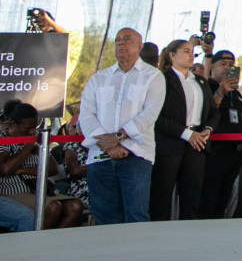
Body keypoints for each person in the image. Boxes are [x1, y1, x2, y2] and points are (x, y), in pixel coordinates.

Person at [78, 27, 166, 224]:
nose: (121, 43)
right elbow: (86, 114)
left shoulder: (153, 76)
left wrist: (117, 137)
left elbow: (150, 113)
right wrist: (109, 145)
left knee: (136, 216)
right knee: (105, 218)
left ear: (140, 46)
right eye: (118, 39)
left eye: (127, 39)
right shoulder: (99, 78)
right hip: (100, 156)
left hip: (135, 155)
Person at [150, 38, 219, 221]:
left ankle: (189, 234)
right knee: (161, 197)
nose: (191, 56)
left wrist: (208, 130)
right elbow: (156, 116)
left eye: (192, 52)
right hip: (169, 145)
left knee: (192, 198)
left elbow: (213, 112)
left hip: (197, 146)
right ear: (172, 56)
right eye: (186, 51)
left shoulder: (200, 82)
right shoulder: (162, 80)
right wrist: (187, 134)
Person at [0, 103, 83, 228]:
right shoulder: (4, 140)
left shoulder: (36, 140)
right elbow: (5, 169)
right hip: (14, 192)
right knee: (53, 207)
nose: (32, 131)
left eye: (35, 127)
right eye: (27, 128)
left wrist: (23, 170)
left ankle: (52, 239)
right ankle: (38, 238)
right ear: (13, 124)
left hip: (40, 190)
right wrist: (28, 147)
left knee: (75, 206)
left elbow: (52, 169)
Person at [200, 51, 242, 219]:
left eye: (231, 65)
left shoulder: (236, 93)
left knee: (225, 197)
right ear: (212, 66)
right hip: (215, 151)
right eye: (223, 64)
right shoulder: (206, 87)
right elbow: (206, 113)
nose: (228, 68)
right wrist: (220, 92)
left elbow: (240, 118)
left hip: (235, 151)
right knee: (209, 196)